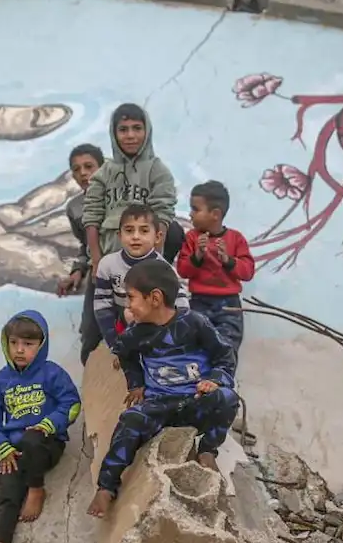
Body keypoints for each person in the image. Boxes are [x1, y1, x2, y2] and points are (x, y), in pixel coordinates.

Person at [87, 260, 239, 518]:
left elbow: (225, 355)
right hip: (159, 405)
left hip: (195, 400)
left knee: (227, 398)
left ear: (155, 298)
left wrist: (214, 380)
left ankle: (207, 451)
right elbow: (125, 355)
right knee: (130, 419)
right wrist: (136, 384)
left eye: (131, 297)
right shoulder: (137, 334)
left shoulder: (194, 323)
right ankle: (107, 486)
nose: (128, 305)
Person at [0, 310, 82, 543]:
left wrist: (48, 424)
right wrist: (2, 445)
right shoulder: (0, 381)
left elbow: (72, 403)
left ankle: (36, 489)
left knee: (31, 438)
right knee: (6, 491)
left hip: (46, 443)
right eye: (14, 343)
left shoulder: (52, 373)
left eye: (28, 344)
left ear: (41, 346)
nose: (19, 350)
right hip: (16, 450)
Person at [82, 103, 182, 274]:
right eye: (123, 130)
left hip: (144, 263)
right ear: (114, 134)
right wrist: (97, 262)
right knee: (99, 301)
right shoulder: (103, 174)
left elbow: (162, 216)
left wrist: (154, 262)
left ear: (147, 131)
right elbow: (91, 218)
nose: (130, 136)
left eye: (137, 128)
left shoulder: (158, 171)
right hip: (107, 262)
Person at [92, 204, 189, 357]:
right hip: (122, 327)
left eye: (144, 231)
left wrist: (174, 338)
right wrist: (114, 342)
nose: (136, 236)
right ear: (120, 235)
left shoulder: (163, 269)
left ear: (157, 237)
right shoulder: (107, 265)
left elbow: (181, 305)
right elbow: (102, 306)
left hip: (156, 331)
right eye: (129, 231)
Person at [176, 180, 256, 358]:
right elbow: (183, 270)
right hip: (199, 302)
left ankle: (222, 383)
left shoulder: (236, 239)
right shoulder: (192, 238)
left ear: (215, 214)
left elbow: (248, 271)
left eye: (195, 209)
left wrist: (228, 260)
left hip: (229, 305)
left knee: (227, 349)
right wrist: (197, 255)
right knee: (194, 348)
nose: (190, 215)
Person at [55, 144, 106, 365]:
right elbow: (85, 245)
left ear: (103, 168)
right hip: (99, 273)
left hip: (128, 271)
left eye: (89, 166)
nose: (83, 173)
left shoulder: (119, 198)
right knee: (90, 335)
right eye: (76, 169)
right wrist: (78, 270)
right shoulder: (75, 208)